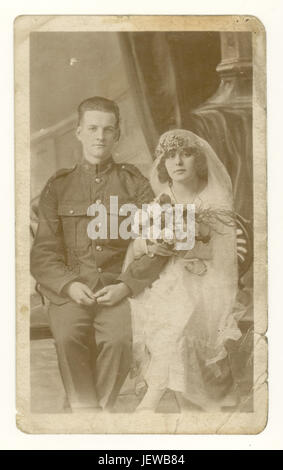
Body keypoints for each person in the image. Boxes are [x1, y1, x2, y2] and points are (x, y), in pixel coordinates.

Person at [30, 96, 168, 412]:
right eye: (92, 128)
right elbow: (43, 254)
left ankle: (95, 414)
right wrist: (67, 285)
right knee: (67, 338)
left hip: (116, 289)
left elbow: (157, 246)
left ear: (118, 134)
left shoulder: (134, 183)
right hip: (71, 290)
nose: (100, 137)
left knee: (119, 342)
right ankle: (86, 411)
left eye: (108, 130)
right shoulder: (59, 186)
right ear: (78, 132)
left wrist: (126, 285)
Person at [125, 129, 243, 412]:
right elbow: (137, 247)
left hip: (210, 280)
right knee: (171, 311)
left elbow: (223, 258)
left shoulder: (215, 201)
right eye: (170, 156)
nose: (178, 162)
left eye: (186, 154)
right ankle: (166, 395)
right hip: (166, 278)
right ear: (163, 163)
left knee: (180, 312)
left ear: (199, 160)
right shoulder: (161, 200)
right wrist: (153, 245)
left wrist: (188, 248)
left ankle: (153, 396)